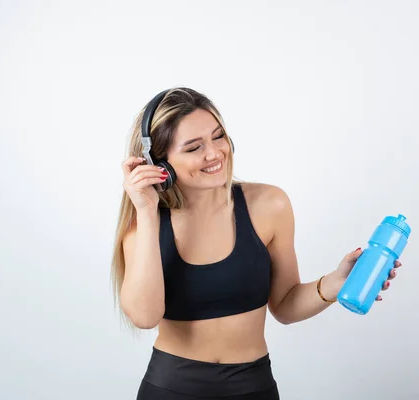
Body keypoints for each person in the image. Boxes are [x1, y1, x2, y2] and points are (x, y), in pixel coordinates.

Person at [110, 87, 401, 400]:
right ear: (159, 164)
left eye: (218, 136)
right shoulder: (142, 228)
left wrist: (332, 285)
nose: (214, 153)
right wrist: (147, 210)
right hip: (170, 389)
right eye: (194, 147)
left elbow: (285, 305)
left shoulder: (269, 205)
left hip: (253, 387)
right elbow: (144, 316)